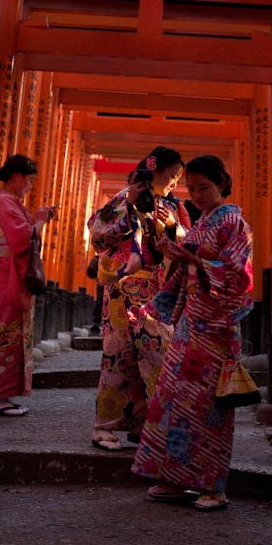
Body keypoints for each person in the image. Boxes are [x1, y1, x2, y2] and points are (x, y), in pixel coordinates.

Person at [130, 154, 254, 511]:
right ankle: (174, 478)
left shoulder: (235, 224)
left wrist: (191, 260)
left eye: (205, 188)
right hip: (190, 326)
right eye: (193, 189)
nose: (198, 195)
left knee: (208, 408)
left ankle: (213, 486)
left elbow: (238, 277)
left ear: (222, 185)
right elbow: (188, 268)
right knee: (173, 399)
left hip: (216, 329)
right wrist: (173, 255)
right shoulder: (202, 224)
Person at [87, 146, 190, 450]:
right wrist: (128, 206)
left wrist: (171, 226)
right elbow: (97, 235)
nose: (173, 184)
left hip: (155, 294)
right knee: (118, 359)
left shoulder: (172, 206)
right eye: (171, 177)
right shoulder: (122, 198)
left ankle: (145, 424)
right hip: (120, 293)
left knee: (158, 356)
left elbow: (186, 244)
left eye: (176, 179)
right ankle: (104, 427)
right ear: (153, 170)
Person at [0, 154, 56, 417]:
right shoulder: (4, 202)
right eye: (29, 180)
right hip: (7, 274)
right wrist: (40, 220)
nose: (30, 186)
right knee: (3, 330)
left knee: (10, 329)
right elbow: (21, 238)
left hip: (10, 272)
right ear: (16, 177)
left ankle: (2, 394)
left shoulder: (8, 201)